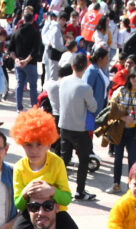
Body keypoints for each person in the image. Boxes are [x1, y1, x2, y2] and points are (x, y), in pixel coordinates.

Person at [10, 107, 72, 213]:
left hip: (56, 213)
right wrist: (25, 192)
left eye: (39, 144)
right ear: (22, 144)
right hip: (31, 213)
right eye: (28, 145)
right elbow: (18, 204)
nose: (34, 150)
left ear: (48, 145)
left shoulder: (57, 162)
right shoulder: (19, 167)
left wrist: (52, 191)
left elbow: (67, 199)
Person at [58, 52, 99, 202]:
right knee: (83, 161)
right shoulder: (85, 87)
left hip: (64, 126)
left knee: (64, 160)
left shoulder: (64, 81)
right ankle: (80, 191)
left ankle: (59, 188)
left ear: (72, 66)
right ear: (86, 67)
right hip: (79, 129)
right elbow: (93, 107)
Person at [108, 67, 136, 194]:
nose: (135, 79)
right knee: (118, 158)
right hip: (120, 129)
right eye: (133, 76)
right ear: (129, 77)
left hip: (135, 130)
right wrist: (123, 117)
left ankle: (131, 186)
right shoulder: (122, 91)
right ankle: (116, 184)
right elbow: (111, 107)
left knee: (132, 159)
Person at [10, 6, 43, 112]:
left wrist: (17, 60)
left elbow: (10, 50)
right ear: (32, 20)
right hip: (30, 64)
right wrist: (26, 60)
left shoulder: (16, 32)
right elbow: (35, 50)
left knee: (20, 85)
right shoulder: (35, 33)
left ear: (23, 19)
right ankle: (33, 107)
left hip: (19, 63)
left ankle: (19, 107)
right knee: (33, 87)